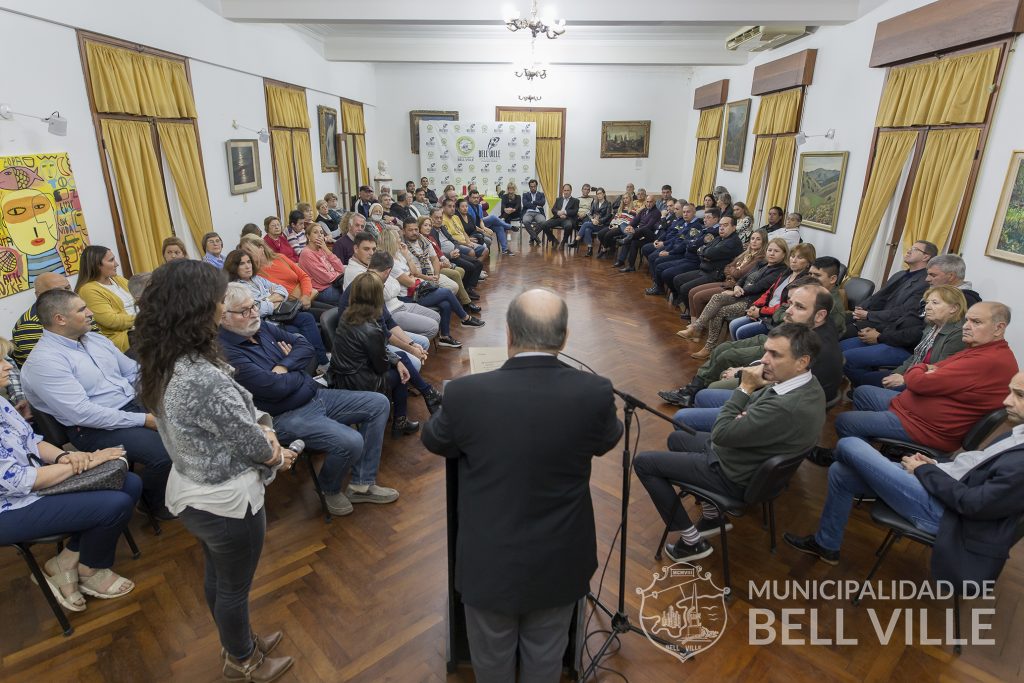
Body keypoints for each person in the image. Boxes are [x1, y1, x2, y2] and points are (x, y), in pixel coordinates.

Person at [422, 289, 622, 682]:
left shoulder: (465, 394)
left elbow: (435, 439)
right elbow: (606, 440)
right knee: (546, 657)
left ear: (509, 334)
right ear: (564, 338)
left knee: (491, 662)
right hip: (561, 558)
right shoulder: (594, 392)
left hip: (488, 561)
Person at [134, 260, 295, 680]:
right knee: (234, 587)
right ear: (197, 308)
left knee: (221, 578)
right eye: (220, 300)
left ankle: (238, 643)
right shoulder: (200, 377)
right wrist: (275, 449)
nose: (224, 308)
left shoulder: (162, 357)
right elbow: (253, 446)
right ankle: (243, 659)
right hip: (226, 501)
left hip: (194, 487)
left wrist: (262, 434)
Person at [784, 371, 1024, 573]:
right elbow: (973, 466)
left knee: (848, 444)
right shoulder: (1018, 433)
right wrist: (935, 465)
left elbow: (972, 503)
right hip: (942, 483)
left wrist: (925, 471)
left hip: (948, 515)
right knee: (841, 472)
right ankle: (826, 545)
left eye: (1019, 395)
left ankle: (799, 450)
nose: (1006, 401)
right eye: (1010, 392)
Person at [635, 323, 826, 561]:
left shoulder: (785, 407)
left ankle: (692, 543)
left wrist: (744, 388)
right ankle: (712, 516)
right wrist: (745, 413)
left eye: (775, 354)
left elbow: (721, 433)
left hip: (734, 474)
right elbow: (751, 411)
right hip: (747, 457)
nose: (764, 359)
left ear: (802, 361)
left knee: (644, 463)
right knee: (678, 438)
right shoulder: (808, 385)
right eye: (766, 351)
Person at [219, 283, 397, 516]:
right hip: (284, 415)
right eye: (244, 311)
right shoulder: (227, 353)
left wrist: (284, 366)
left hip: (314, 394)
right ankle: (328, 488)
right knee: (351, 441)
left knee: (378, 403)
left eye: (254, 306)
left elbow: (306, 345)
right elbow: (274, 387)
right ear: (223, 317)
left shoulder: (261, 328)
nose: (253, 313)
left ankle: (361, 485)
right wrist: (298, 371)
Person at [0, 342, 139, 613]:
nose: (8, 366)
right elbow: (18, 481)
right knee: (115, 504)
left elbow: (32, 441)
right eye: (0, 362)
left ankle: (68, 561)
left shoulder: (1, 402)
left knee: (129, 482)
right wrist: (86, 462)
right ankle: (90, 569)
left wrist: (64, 457)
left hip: (35, 484)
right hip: (10, 508)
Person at [21, 289, 173, 520]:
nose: (91, 313)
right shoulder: (44, 362)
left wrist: (159, 398)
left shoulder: (95, 339)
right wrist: (144, 419)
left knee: (189, 426)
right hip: (92, 428)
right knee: (164, 453)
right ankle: (151, 502)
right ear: (60, 319)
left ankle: (182, 488)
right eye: (82, 309)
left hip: (131, 406)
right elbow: (83, 414)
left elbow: (132, 372)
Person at [828, 302, 1017, 455]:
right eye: (967, 320)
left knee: (846, 421)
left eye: (976, 322)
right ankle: (871, 452)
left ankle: (860, 467)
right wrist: (926, 368)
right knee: (863, 392)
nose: (966, 326)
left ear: (998, 328)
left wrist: (923, 369)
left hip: (926, 427)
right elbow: (930, 369)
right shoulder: (980, 349)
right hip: (913, 410)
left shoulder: (988, 360)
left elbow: (919, 381)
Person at [671, 284, 844, 432]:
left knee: (701, 399)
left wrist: (741, 374)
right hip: (778, 393)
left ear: (820, 315)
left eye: (799, 307)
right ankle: (696, 398)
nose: (788, 311)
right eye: (790, 303)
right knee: (705, 391)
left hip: (777, 408)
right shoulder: (815, 328)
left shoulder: (814, 348)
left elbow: (783, 383)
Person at [659, 239, 790, 408]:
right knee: (716, 298)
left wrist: (742, 290)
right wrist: (737, 286)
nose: (771, 253)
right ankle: (701, 333)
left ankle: (701, 335)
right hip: (741, 294)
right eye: (770, 250)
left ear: (784, 254)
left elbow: (760, 287)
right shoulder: (762, 264)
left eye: (776, 251)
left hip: (750, 300)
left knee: (720, 311)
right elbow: (743, 277)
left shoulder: (780, 270)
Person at [329, 273, 424, 437]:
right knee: (401, 375)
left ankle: (421, 400)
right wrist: (397, 363)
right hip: (358, 382)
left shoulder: (348, 315)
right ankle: (402, 420)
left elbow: (375, 353)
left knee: (401, 360)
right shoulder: (371, 328)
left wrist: (397, 361)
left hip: (341, 377)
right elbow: (381, 367)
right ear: (376, 297)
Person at [841, 240, 937, 378]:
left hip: (888, 323)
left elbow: (902, 312)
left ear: (926, 256)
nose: (909, 250)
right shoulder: (900, 274)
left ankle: (852, 380)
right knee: (836, 321)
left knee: (841, 334)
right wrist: (861, 308)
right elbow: (880, 296)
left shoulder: (924, 283)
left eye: (915, 249)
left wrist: (868, 315)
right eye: (910, 247)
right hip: (876, 316)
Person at [223, 249, 328, 368]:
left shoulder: (256, 278)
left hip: (280, 315)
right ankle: (318, 364)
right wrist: (271, 299)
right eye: (242, 264)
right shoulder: (236, 288)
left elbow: (282, 290)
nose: (248, 266)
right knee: (298, 330)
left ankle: (322, 362)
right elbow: (257, 309)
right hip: (264, 324)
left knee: (307, 318)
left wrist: (265, 300)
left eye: (249, 262)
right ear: (234, 267)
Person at [854, 285, 968, 389]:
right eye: (927, 303)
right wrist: (897, 373)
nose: (927, 307)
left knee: (866, 387)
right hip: (913, 372)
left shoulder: (958, 334)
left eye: (935, 303)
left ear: (953, 308)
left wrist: (905, 378)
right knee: (868, 379)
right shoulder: (932, 325)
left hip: (925, 383)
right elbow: (915, 356)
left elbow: (939, 371)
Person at [343, 231, 441, 340]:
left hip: (398, 304)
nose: (371, 253)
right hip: (388, 314)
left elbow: (395, 287)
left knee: (436, 317)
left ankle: (411, 344)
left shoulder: (371, 265)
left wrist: (390, 288)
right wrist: (391, 288)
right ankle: (408, 346)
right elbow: (384, 294)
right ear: (356, 249)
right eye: (366, 249)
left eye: (374, 249)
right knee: (432, 328)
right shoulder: (355, 272)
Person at [727, 242, 816, 343]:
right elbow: (769, 292)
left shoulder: (804, 282)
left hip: (776, 319)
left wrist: (760, 312)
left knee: (741, 332)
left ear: (808, 263)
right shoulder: (786, 273)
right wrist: (755, 306)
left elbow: (786, 306)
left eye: (799, 258)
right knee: (734, 324)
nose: (794, 260)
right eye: (792, 256)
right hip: (764, 312)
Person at [239, 235, 333, 322]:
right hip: (291, 307)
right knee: (331, 316)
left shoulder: (280, 258)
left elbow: (303, 276)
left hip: (308, 295)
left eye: (249, 250)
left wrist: (305, 296)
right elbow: (273, 297)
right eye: (244, 252)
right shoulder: (255, 275)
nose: (246, 254)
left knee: (336, 311)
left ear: (261, 248)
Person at [678, 229, 767, 318]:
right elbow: (727, 267)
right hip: (727, 282)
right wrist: (731, 275)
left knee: (698, 297)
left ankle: (698, 324)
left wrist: (732, 271)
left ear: (763, 242)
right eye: (752, 238)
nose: (754, 241)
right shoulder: (745, 254)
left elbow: (739, 274)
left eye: (758, 239)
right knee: (692, 292)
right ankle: (694, 322)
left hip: (736, 289)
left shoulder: (760, 258)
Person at [652, 213, 741, 299]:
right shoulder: (719, 238)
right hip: (704, 269)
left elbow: (708, 253)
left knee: (684, 288)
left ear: (734, 227)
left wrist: (704, 252)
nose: (721, 228)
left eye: (725, 225)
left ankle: (686, 306)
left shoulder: (732, 242)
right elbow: (700, 250)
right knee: (677, 280)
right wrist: (704, 253)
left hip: (714, 275)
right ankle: (680, 300)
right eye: (720, 225)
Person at [74, 245, 136, 353]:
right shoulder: (88, 290)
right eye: (111, 260)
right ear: (97, 265)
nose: (116, 264)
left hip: (139, 327)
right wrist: (144, 318)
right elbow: (112, 321)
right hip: (124, 337)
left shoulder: (117, 279)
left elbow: (141, 297)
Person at [11, 272, 75, 366]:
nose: (67, 294)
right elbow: (45, 364)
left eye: (67, 288)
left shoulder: (75, 308)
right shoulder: (29, 324)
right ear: (39, 295)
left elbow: (94, 337)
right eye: (57, 291)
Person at [422, 209, 483, 299]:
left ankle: (469, 287)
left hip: (455, 253)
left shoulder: (442, 227)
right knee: (470, 267)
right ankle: (466, 290)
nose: (439, 220)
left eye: (440, 218)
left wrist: (457, 249)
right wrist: (449, 255)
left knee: (478, 263)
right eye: (436, 218)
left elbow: (453, 241)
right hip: (448, 257)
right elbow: (437, 252)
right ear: (431, 218)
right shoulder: (431, 232)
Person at [298, 222, 345, 306]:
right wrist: (338, 274)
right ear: (308, 236)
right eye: (315, 232)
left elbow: (340, 268)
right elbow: (325, 278)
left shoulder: (322, 249)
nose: (319, 235)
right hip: (322, 290)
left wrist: (326, 249)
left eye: (321, 232)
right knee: (350, 295)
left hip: (334, 283)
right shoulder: (306, 253)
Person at [613, 194, 662, 271]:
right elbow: (635, 220)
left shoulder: (656, 212)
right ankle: (631, 266)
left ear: (654, 202)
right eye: (647, 202)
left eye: (651, 202)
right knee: (633, 242)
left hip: (650, 236)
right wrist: (629, 226)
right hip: (639, 234)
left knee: (642, 229)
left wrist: (635, 230)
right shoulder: (644, 210)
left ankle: (625, 239)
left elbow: (649, 226)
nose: (648, 204)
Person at [578, 188, 612, 257]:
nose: (599, 195)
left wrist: (599, 221)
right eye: (597, 194)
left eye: (600, 193)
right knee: (587, 229)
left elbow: (608, 216)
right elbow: (590, 213)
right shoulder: (594, 203)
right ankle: (590, 249)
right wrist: (592, 220)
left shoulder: (608, 204)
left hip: (603, 225)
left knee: (585, 224)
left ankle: (578, 237)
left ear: (604, 194)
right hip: (594, 223)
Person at [520, 179, 547, 243]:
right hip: (528, 212)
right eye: (531, 187)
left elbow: (542, 203)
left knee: (543, 222)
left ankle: (532, 237)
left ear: (536, 186)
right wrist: (536, 206)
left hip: (538, 213)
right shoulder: (525, 194)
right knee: (525, 221)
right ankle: (535, 237)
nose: (533, 188)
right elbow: (525, 204)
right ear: (529, 187)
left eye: (534, 186)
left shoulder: (541, 194)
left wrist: (532, 202)